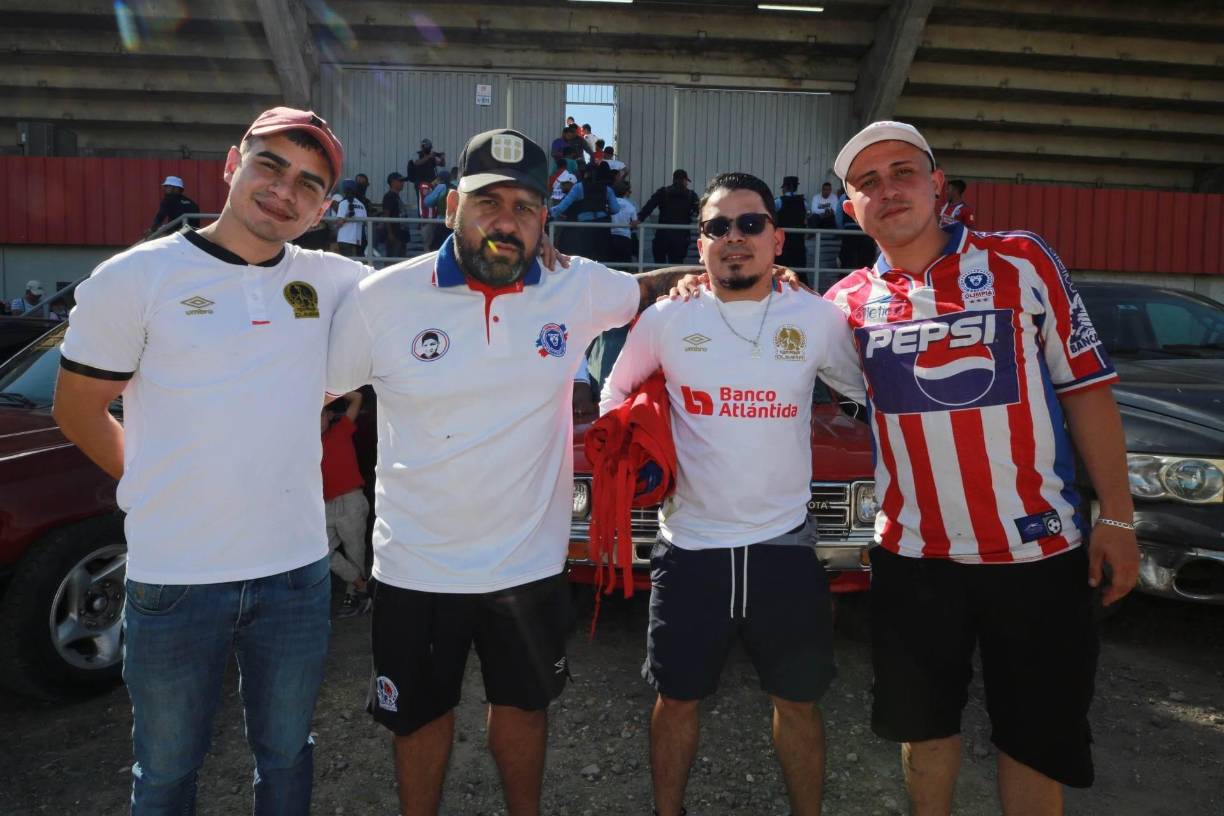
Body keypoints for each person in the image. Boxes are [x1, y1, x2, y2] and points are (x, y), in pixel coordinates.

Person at [324, 127, 700, 816]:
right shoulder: (382, 299)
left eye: (525, 206)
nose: (506, 220)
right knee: (418, 719)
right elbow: (308, 394)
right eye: (487, 202)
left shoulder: (573, 285)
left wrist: (741, 272)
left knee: (524, 711)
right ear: (449, 210)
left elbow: (650, 290)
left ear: (544, 219)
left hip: (528, 567)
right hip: (416, 568)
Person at [52, 106, 363, 815]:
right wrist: (157, 484)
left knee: (286, 757)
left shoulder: (339, 281)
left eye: (309, 184)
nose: (285, 192)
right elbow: (76, 409)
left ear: (322, 208)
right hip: (176, 578)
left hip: (295, 575)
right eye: (271, 166)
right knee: (165, 772)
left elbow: (430, 294)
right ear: (232, 164)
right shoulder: (135, 278)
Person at [823, 120, 1138, 815]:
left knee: (1035, 742)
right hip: (913, 560)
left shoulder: (1021, 261)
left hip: (1037, 555)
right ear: (851, 209)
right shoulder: (839, 307)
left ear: (938, 185)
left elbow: (1086, 387)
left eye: (902, 172)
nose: (887, 190)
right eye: (866, 183)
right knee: (924, 734)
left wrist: (1116, 515)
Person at [602, 172, 864, 816]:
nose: (735, 238)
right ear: (702, 245)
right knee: (677, 699)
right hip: (690, 549)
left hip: (784, 549)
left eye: (750, 224)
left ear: (778, 239)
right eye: (720, 227)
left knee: (799, 703)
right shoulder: (668, 318)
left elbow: (870, 394)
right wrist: (646, 444)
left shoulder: (818, 317)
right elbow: (613, 398)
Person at [322, 390, 371, 617]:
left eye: (321, 414)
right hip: (325, 504)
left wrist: (327, 390)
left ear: (331, 415)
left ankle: (356, 597)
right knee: (322, 551)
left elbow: (357, 398)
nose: (317, 420)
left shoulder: (341, 429)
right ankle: (362, 585)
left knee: (355, 552)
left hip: (350, 500)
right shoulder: (306, 443)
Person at [549, 161, 620, 261]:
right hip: (602, 228)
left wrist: (549, 213)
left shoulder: (578, 187)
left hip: (583, 229)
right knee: (602, 261)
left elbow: (562, 207)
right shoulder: (607, 189)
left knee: (584, 261)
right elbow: (616, 209)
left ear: (585, 173)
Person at [638, 170, 699, 264]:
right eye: (686, 181)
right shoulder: (691, 195)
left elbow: (649, 206)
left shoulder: (663, 192)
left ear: (673, 179)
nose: (687, 183)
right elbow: (700, 212)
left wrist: (639, 219)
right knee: (676, 267)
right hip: (681, 237)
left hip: (663, 235)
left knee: (658, 266)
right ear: (684, 180)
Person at [775, 175, 809, 277]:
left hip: (783, 241)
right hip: (799, 241)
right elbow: (806, 216)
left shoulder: (778, 201)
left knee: (782, 267)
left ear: (785, 188)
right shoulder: (804, 202)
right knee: (799, 268)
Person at [407, 138, 446, 214]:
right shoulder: (417, 154)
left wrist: (442, 158)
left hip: (432, 184)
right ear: (422, 147)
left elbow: (442, 164)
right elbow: (416, 163)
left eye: (429, 146)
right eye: (426, 146)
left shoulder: (432, 157)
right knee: (422, 204)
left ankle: (433, 218)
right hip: (420, 184)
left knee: (433, 202)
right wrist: (429, 157)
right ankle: (421, 221)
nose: (428, 148)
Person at [333, 178, 368, 257]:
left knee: (346, 264)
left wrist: (336, 225)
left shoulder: (343, 203)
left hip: (344, 239)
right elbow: (366, 222)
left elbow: (339, 223)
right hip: (357, 239)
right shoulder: (361, 205)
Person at [608, 179, 638, 264]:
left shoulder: (607, 203)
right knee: (624, 266)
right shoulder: (631, 206)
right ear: (626, 192)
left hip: (609, 237)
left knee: (610, 266)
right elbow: (635, 223)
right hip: (625, 238)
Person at [382, 171, 409, 258]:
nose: (403, 183)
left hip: (401, 235)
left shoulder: (397, 197)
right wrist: (390, 234)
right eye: (400, 181)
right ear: (393, 182)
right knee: (392, 262)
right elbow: (386, 215)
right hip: (395, 235)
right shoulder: (389, 196)